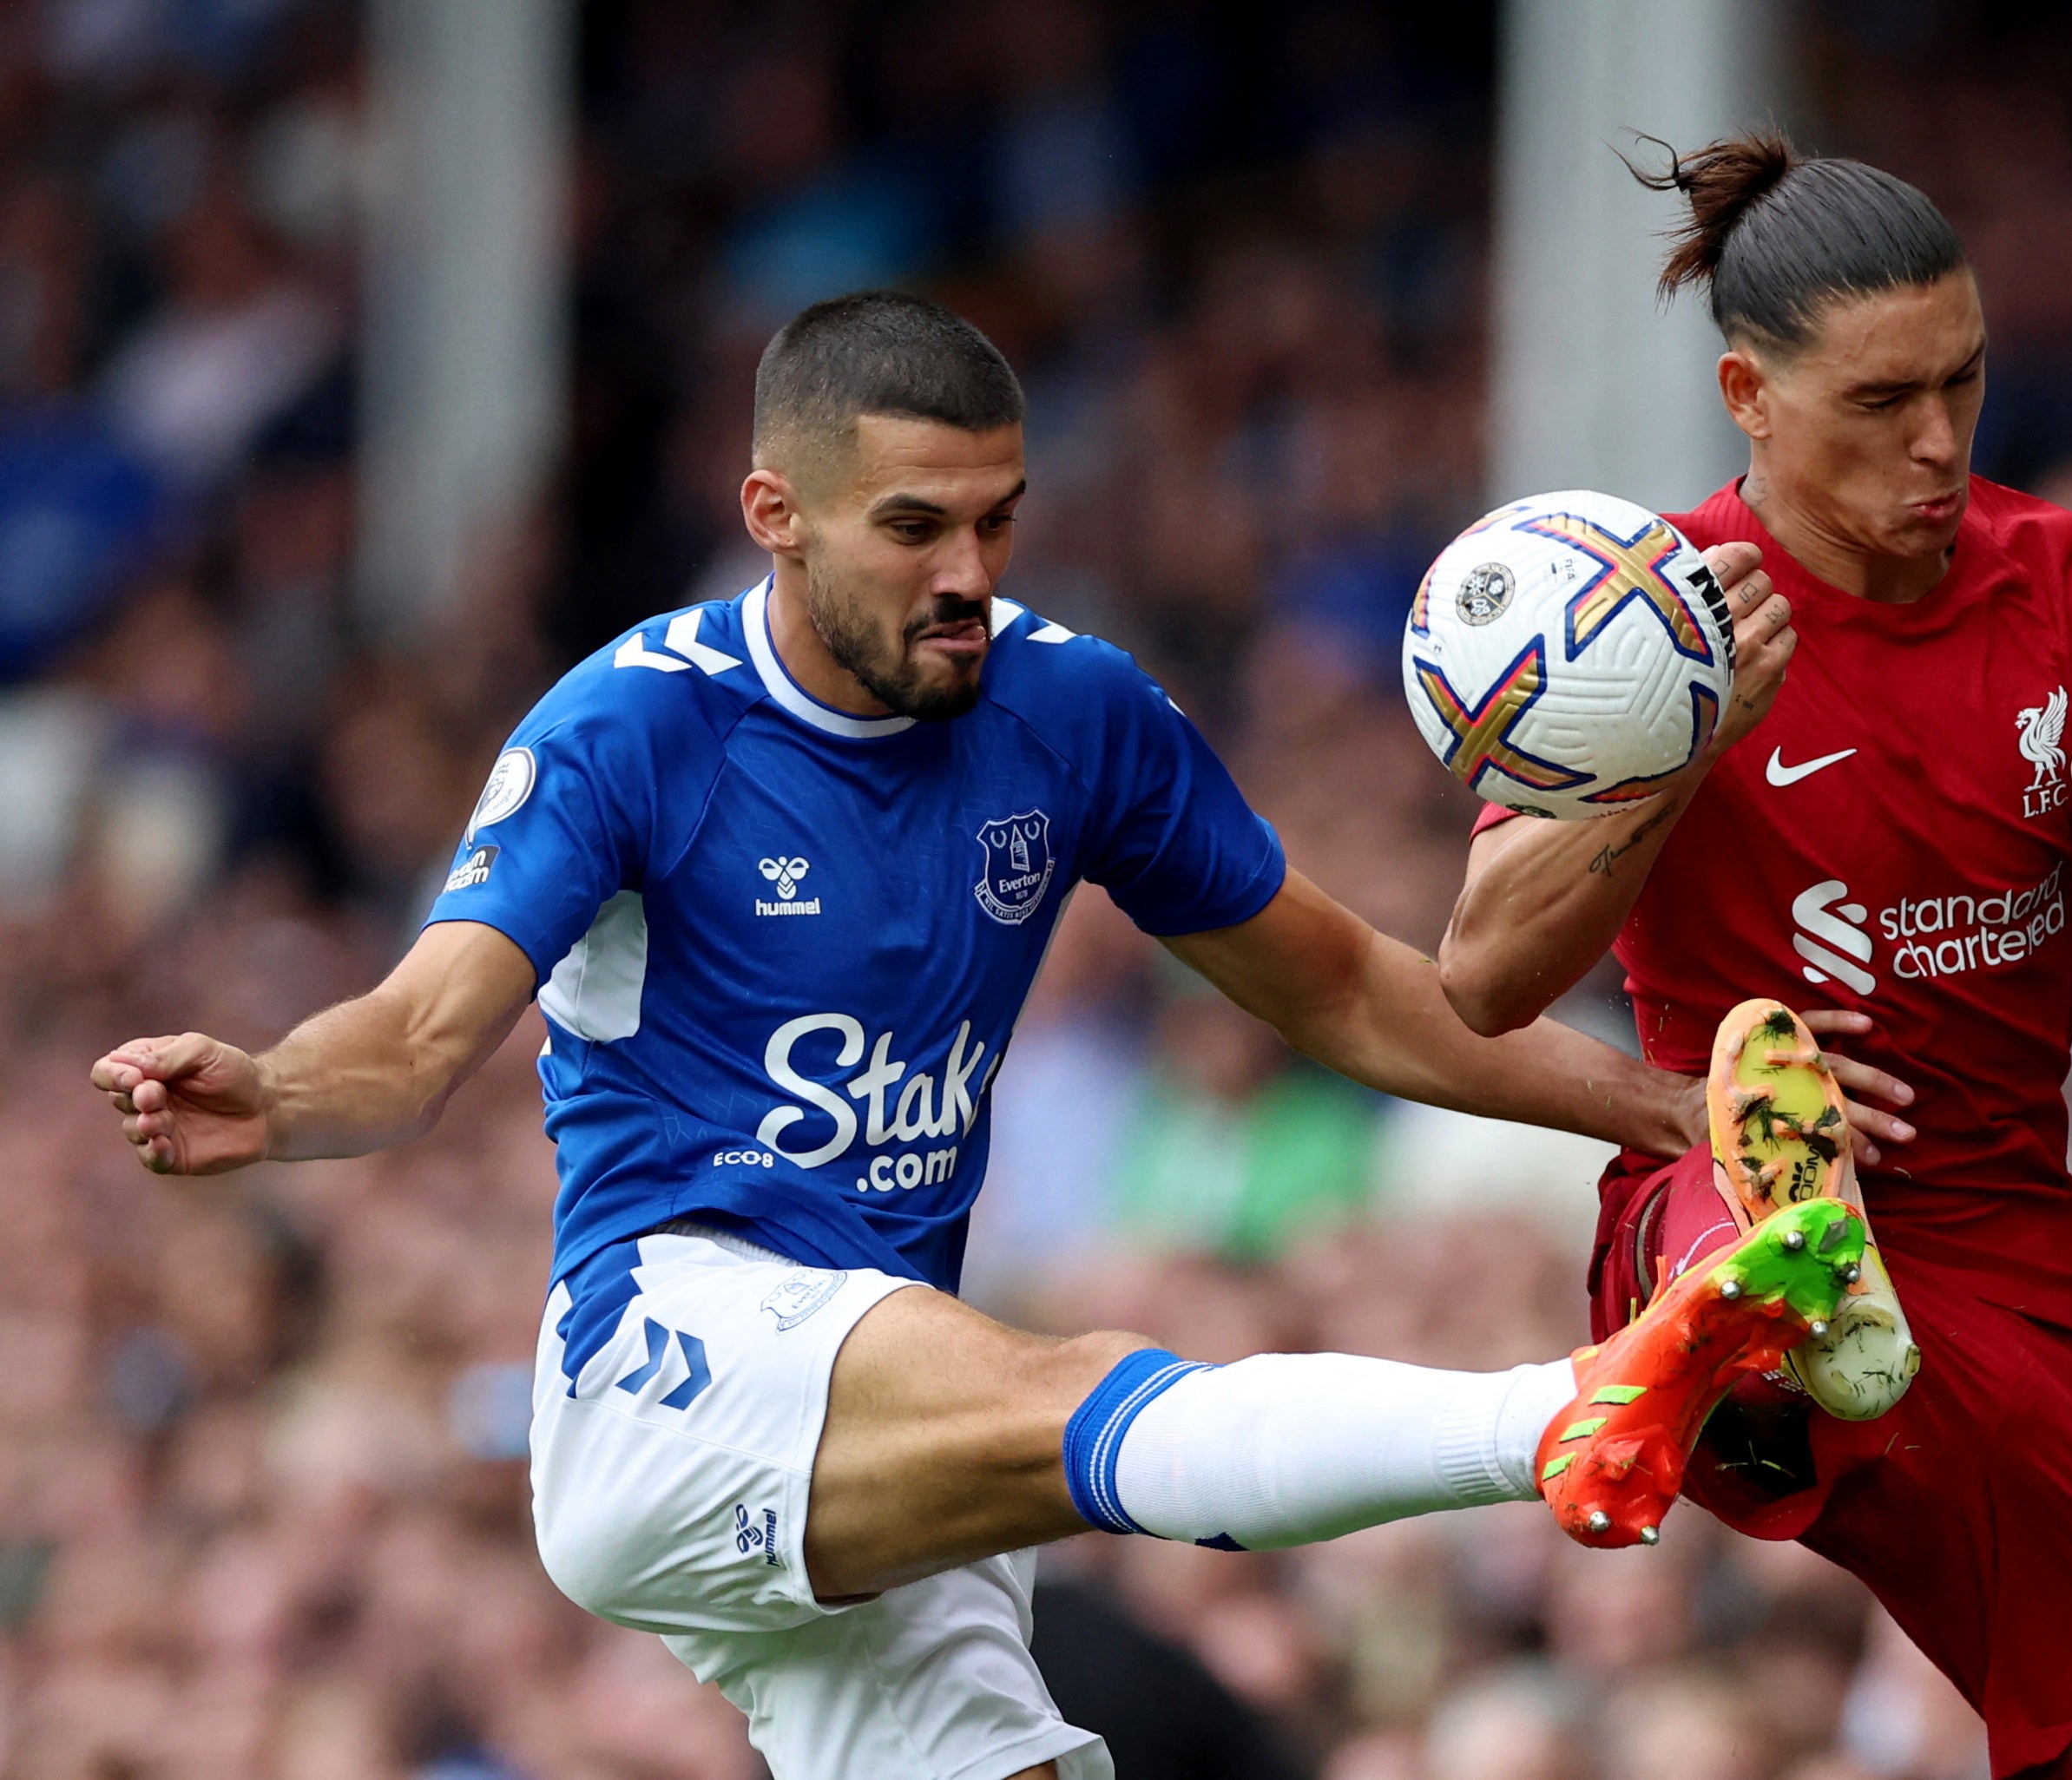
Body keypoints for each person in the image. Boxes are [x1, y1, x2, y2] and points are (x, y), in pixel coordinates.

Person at [90, 292, 1871, 1780]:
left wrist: (1663, 1113)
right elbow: (411, 1040)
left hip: (880, 1415)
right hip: (673, 1359)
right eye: (913, 528)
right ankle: (1563, 1418)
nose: (966, 572)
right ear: (775, 513)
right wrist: (273, 1084)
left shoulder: (1069, 711)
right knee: (1069, 1379)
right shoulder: (633, 726)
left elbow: (1348, 990)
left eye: (995, 520)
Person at [1438, 137, 2072, 1780]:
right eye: (1881, 399)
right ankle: (1754, 1298)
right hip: (1699, 1176)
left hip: (2008, 1256)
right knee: (1748, 1160)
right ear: (1748, 393)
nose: (1940, 440)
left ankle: (1781, 1337)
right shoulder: (1647, 620)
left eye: (1965, 380)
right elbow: (1482, 975)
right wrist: (1686, 747)